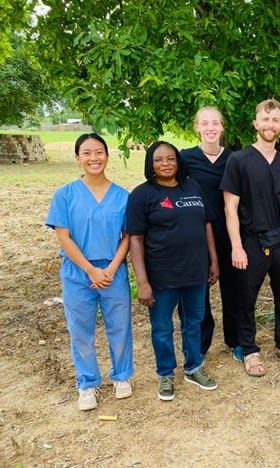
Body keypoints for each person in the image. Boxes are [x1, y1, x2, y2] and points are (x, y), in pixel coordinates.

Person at [45, 133, 133, 411]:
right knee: (80, 329)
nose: (93, 158)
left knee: (119, 325)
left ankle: (122, 376)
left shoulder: (122, 196)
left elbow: (128, 237)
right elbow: (64, 237)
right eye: (87, 153)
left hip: (112, 270)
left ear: (108, 156)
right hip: (77, 272)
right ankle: (88, 383)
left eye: (99, 152)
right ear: (77, 159)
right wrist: (90, 270)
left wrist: (109, 268)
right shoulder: (65, 195)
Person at [127, 141, 220, 400]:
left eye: (170, 158)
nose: (165, 163)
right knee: (162, 328)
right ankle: (166, 373)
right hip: (161, 276)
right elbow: (135, 239)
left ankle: (194, 367)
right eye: (159, 160)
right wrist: (142, 282)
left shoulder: (192, 186)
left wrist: (213, 261)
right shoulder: (142, 195)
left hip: (195, 272)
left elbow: (207, 225)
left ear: (178, 161)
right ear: (150, 164)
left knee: (193, 322)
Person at [221, 98, 280, 377]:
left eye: (275, 120)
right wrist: (237, 247)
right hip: (251, 241)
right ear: (256, 124)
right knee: (246, 299)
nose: (270, 125)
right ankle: (250, 349)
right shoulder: (239, 160)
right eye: (265, 120)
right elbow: (230, 206)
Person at [180, 107, 243, 362]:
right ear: (196, 127)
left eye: (215, 123)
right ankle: (201, 343)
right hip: (197, 236)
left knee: (234, 290)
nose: (210, 128)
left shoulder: (234, 159)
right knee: (198, 294)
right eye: (204, 123)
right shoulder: (185, 159)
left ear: (222, 127)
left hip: (229, 234)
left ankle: (235, 340)